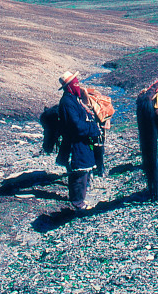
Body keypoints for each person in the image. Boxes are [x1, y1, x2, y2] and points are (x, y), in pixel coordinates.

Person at [57, 71, 102, 211]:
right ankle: (77, 203)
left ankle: (80, 198)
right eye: (75, 84)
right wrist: (93, 129)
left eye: (77, 83)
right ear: (69, 87)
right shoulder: (67, 103)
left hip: (81, 140)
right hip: (75, 142)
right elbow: (76, 125)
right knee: (78, 172)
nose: (78, 85)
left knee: (84, 169)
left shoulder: (74, 99)